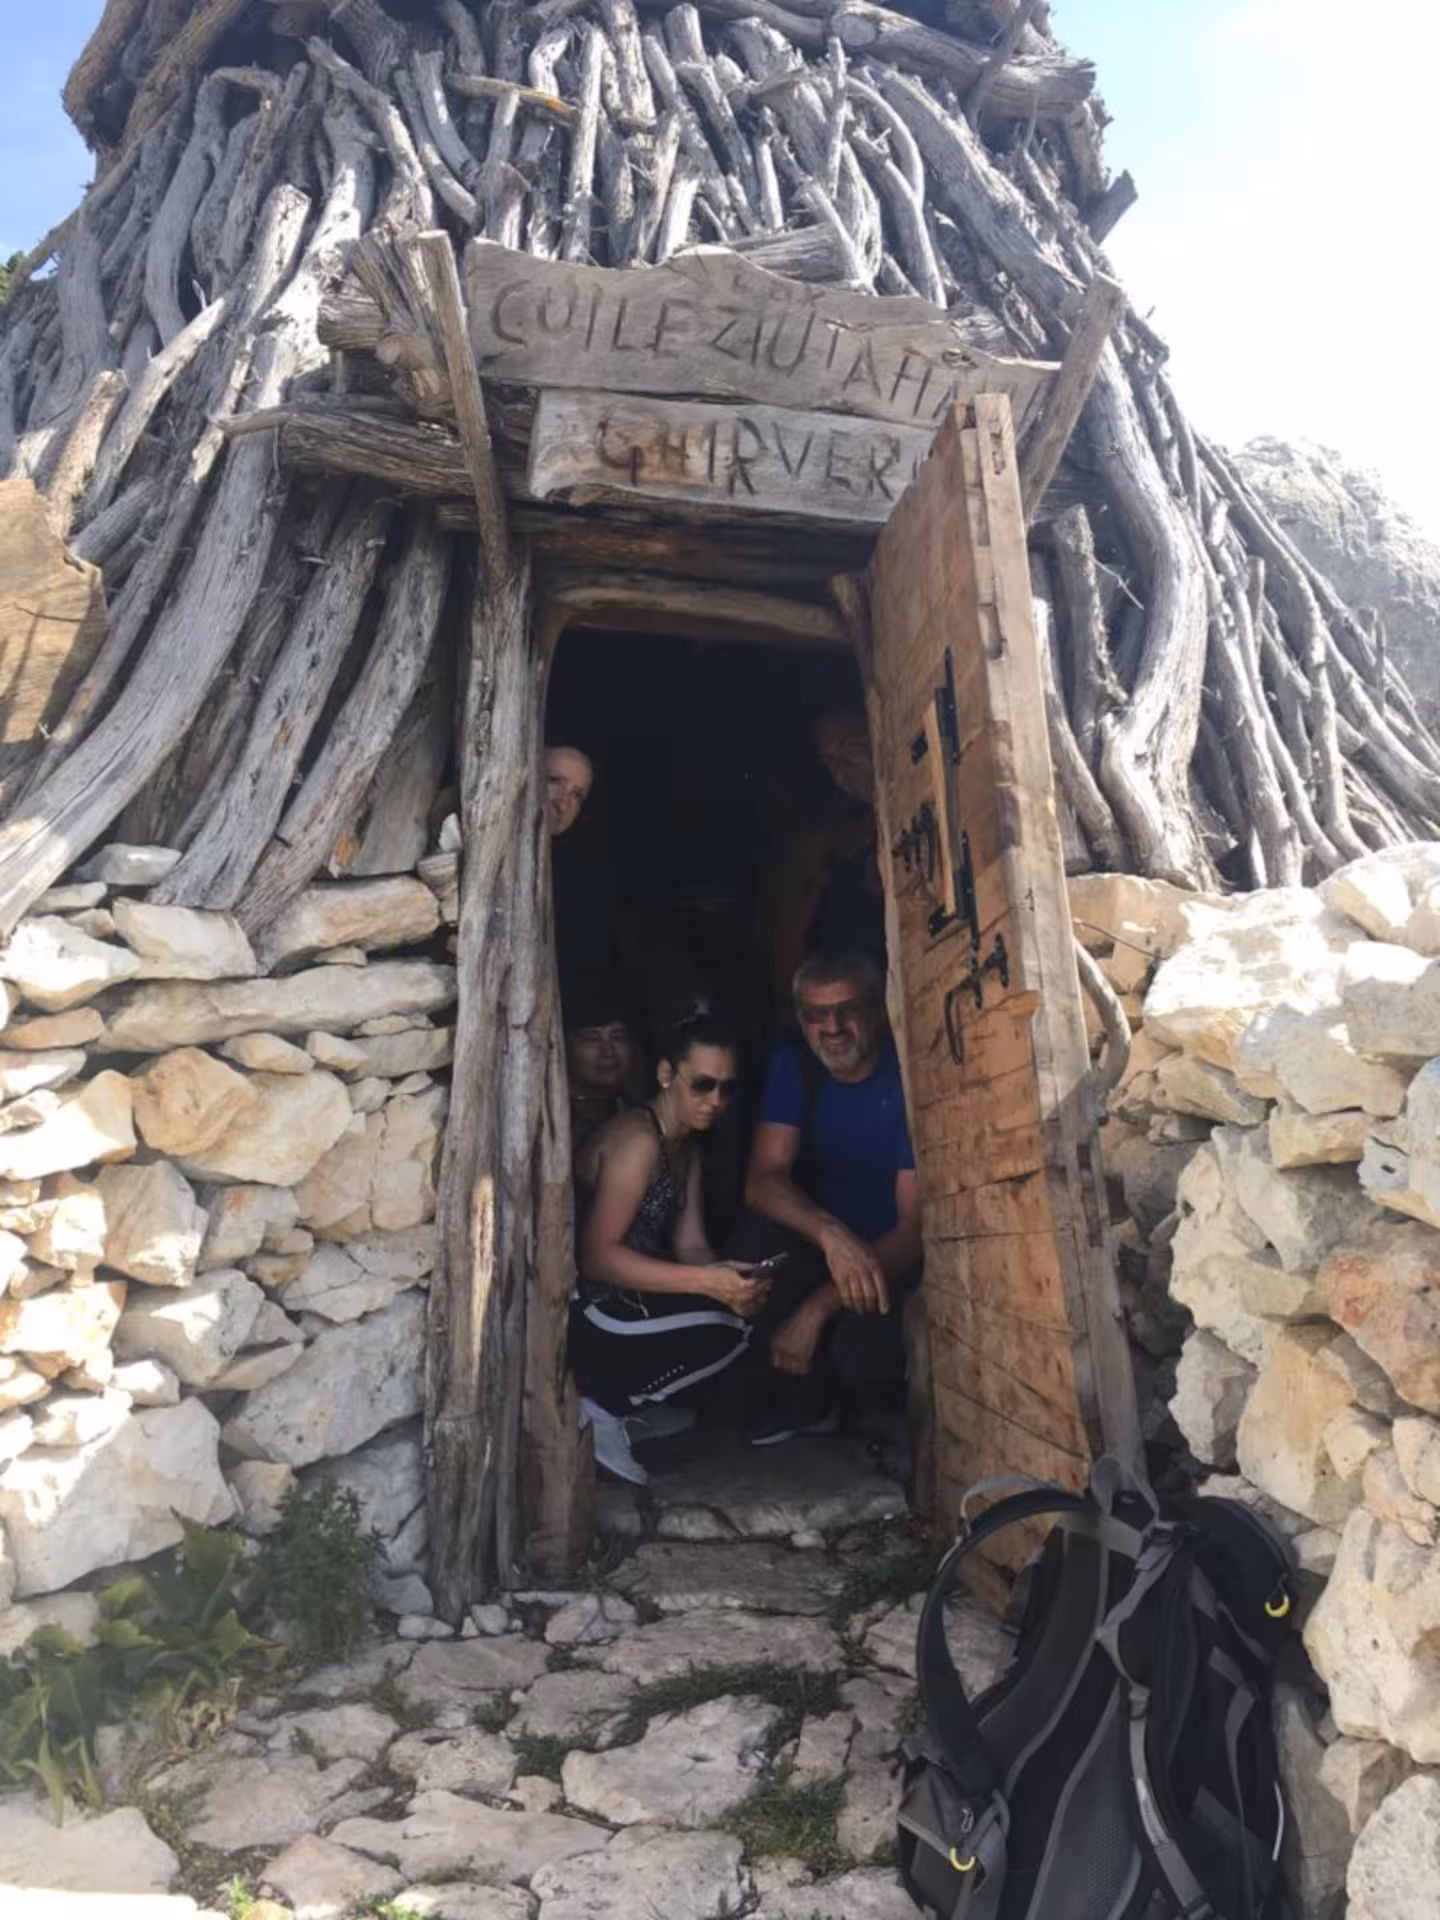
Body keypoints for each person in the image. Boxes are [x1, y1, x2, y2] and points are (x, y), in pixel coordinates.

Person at [570, 1013, 771, 1485]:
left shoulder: (686, 1148)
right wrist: (707, 1283)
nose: (715, 1100)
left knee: (744, 1311)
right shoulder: (639, 1138)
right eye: (702, 1084)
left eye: (726, 1088)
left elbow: (691, 1243)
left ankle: (635, 1405)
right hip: (587, 1308)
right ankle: (603, 1409)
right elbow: (596, 1255)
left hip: (628, 1298)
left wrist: (730, 1277)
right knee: (727, 1327)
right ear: (666, 1075)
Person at [731, 948, 921, 1444]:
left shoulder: (907, 1080)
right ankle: (805, 1407)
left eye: (848, 1010)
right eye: (817, 1014)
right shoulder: (794, 1066)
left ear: (877, 1010)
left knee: (864, 1359)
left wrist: (817, 1307)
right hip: (825, 1252)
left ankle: (857, 1406)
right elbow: (763, 1179)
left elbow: (913, 1231)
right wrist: (832, 1235)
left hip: (890, 1269)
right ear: (801, 1020)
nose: (832, 1027)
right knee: (756, 1245)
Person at [562, 973, 639, 1165]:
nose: (608, 1052)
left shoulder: (637, 1111)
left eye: (617, 1036)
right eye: (591, 1038)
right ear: (564, 1047)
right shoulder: (552, 1120)